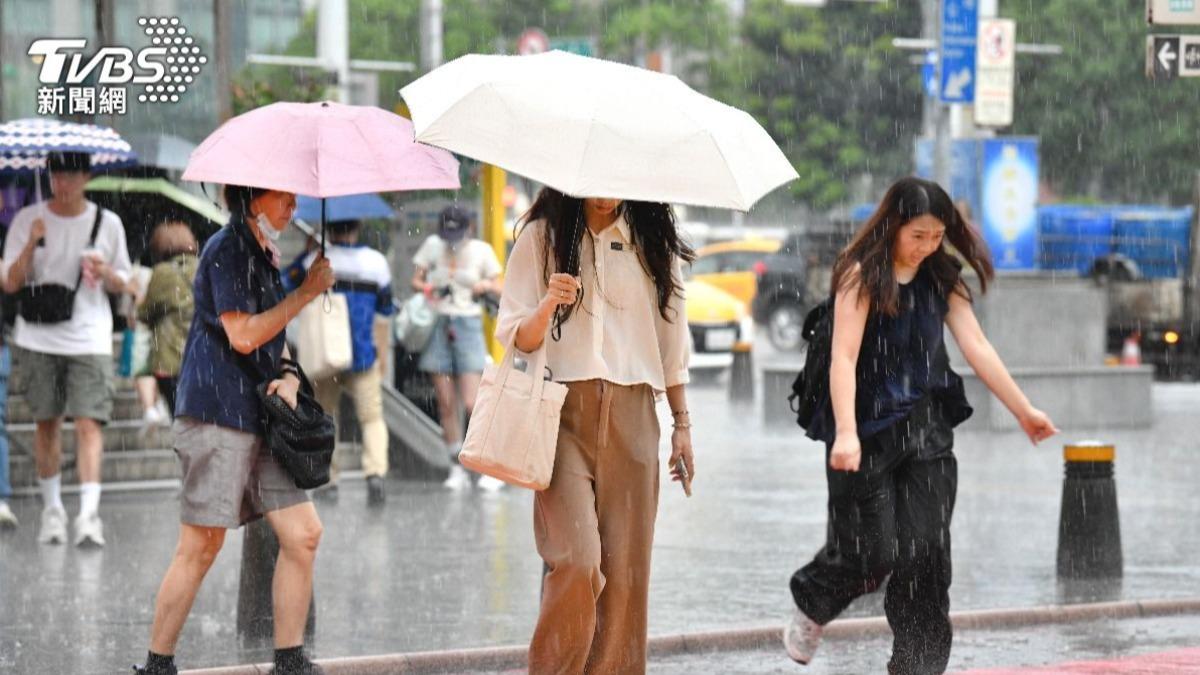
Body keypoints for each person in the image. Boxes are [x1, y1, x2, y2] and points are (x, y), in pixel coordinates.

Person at [783, 177, 1059, 674]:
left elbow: (977, 345)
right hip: (866, 429)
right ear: (892, 226)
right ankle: (812, 601)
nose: (927, 247)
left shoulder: (942, 276)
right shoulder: (861, 273)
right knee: (873, 552)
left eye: (936, 236)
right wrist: (845, 431)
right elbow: (842, 358)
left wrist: (1024, 410)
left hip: (927, 427)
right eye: (917, 236)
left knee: (927, 556)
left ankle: (918, 667)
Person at [134, 185, 334, 675]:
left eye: (294, 199)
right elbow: (243, 335)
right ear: (252, 198)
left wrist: (288, 376)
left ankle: (289, 660)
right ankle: (157, 665)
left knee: (303, 533)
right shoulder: (227, 248)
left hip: (262, 413)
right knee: (201, 545)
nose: (293, 208)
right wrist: (305, 294)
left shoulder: (264, 254)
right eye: (283, 197)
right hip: (217, 410)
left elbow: (272, 341)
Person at [495, 188, 696, 674]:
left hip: (635, 417)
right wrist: (548, 304)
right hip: (560, 415)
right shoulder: (541, 239)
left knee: (626, 577)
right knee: (578, 560)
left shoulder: (652, 243)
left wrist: (682, 425)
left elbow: (672, 342)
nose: (607, 197)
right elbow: (516, 338)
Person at [1, 151, 133, 547]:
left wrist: (106, 273)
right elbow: (9, 282)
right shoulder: (28, 219)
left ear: (87, 176)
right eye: (57, 173)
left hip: (89, 335)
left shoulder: (107, 223)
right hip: (37, 337)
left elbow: (125, 280)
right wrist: (31, 244)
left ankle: (89, 516)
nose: (63, 182)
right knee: (47, 423)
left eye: (71, 174)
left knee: (90, 422)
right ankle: (52, 511)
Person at [287, 218, 394, 505]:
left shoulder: (318, 259)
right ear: (357, 228)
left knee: (325, 416)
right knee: (371, 417)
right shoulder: (376, 262)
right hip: (363, 353)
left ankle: (329, 479)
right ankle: (375, 474)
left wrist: (305, 253)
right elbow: (385, 311)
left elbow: (286, 282)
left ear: (330, 229)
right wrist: (381, 353)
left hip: (327, 354)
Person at [411, 206, 503, 491]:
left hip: (468, 324)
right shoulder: (432, 246)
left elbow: (501, 285)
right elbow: (416, 280)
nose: (452, 239)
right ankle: (456, 466)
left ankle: (487, 464)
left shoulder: (481, 250)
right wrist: (428, 289)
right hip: (438, 322)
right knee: (445, 402)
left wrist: (483, 284)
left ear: (469, 228)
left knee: (472, 402)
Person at [137, 221, 200, 416]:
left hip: (171, 358)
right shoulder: (204, 264)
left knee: (180, 417)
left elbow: (145, 314)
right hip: (203, 354)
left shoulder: (162, 272)